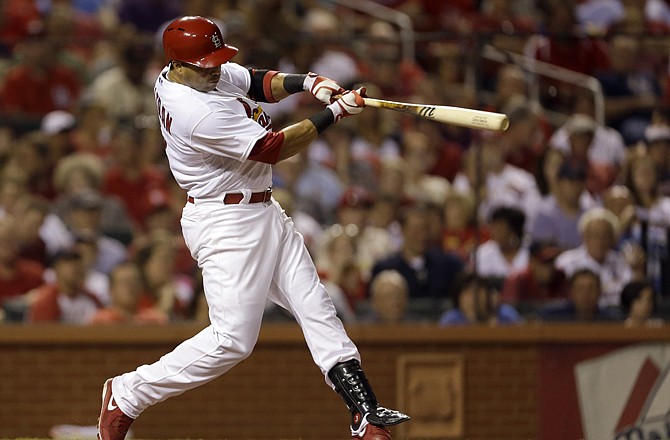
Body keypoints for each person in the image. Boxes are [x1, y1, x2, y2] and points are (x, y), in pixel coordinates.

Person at [96, 16, 409, 440]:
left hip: (260, 210)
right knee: (232, 341)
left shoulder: (195, 72)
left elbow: (257, 82)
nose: (214, 69)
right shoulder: (193, 110)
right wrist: (334, 113)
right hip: (225, 222)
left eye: (214, 60)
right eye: (205, 64)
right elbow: (272, 148)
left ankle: (364, 413)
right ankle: (128, 393)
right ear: (178, 65)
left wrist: (307, 82)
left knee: (316, 307)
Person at [438, 272, 523, 326]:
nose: (473, 298)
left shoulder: (506, 314)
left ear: (488, 295)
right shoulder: (451, 320)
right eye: (468, 293)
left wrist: (493, 318)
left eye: (478, 292)